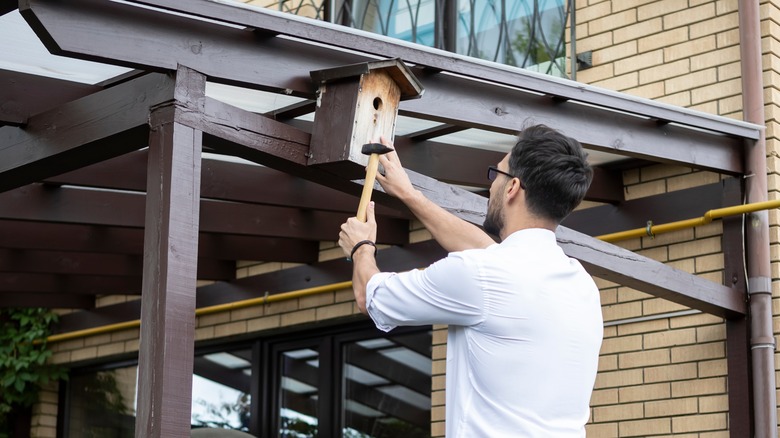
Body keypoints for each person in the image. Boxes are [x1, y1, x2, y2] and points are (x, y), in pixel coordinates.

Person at [338, 124, 603, 437]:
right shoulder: (581, 284)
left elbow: (371, 296)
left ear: (513, 187)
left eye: (496, 175)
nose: (490, 187)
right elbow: (486, 253)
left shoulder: (484, 275)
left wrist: (361, 247)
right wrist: (410, 195)